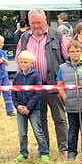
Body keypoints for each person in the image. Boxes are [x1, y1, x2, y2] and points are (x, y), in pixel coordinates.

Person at [16, 10, 68, 151]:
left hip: (54, 85)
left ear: (45, 20)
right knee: (40, 119)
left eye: (39, 22)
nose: (36, 26)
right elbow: (19, 60)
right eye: (33, 23)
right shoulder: (24, 38)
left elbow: (67, 59)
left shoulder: (58, 36)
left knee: (60, 118)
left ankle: (64, 148)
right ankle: (44, 149)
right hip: (34, 88)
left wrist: (64, 81)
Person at [59, 41, 82, 159]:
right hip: (71, 105)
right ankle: (72, 152)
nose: (75, 53)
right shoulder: (62, 68)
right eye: (72, 51)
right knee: (73, 129)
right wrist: (65, 98)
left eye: (77, 51)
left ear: (81, 52)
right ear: (68, 53)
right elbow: (59, 84)